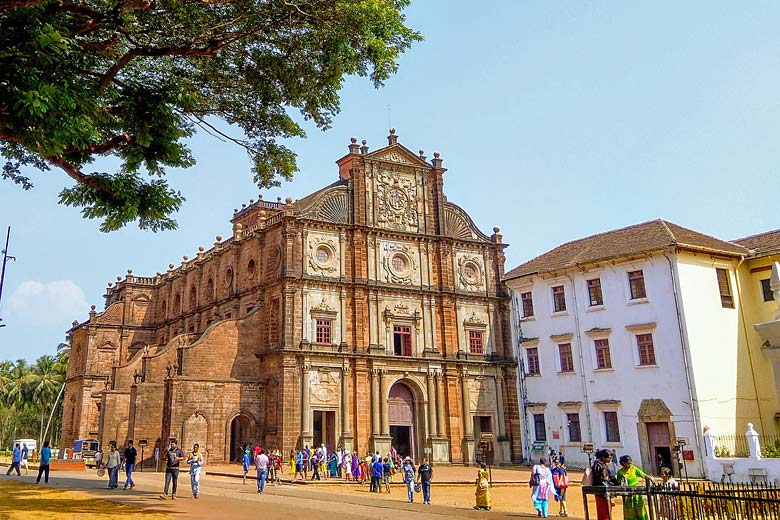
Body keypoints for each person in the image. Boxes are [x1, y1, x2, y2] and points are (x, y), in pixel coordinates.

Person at [617, 455, 653, 520]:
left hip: (637, 493)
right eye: (628, 463)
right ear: (623, 463)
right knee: (629, 510)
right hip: (627, 495)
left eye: (631, 463)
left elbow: (643, 475)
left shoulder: (633, 468)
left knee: (640, 509)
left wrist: (650, 478)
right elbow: (618, 483)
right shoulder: (620, 472)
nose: (630, 464)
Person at [591, 449, 619, 520]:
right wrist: (611, 496)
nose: (610, 459)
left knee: (603, 514)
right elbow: (604, 481)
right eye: (609, 457)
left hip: (600, 492)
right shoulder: (600, 466)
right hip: (603, 493)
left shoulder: (600, 464)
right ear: (603, 457)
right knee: (605, 514)